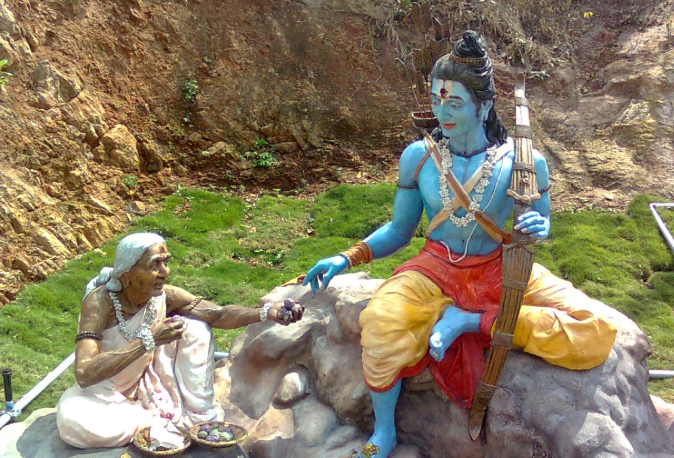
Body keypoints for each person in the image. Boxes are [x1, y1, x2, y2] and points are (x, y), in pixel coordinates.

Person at [303, 31, 617, 458]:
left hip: (500, 268)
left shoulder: (524, 162)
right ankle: (384, 431)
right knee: (380, 321)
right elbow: (399, 230)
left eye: (454, 103)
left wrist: (539, 226)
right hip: (435, 268)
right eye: (437, 101)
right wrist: (347, 257)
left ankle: (469, 322)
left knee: (596, 328)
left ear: (483, 106)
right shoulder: (418, 157)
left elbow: (541, 222)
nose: (442, 112)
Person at [57, 232, 304, 449]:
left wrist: (267, 312)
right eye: (154, 264)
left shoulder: (164, 296)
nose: (165, 272)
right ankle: (158, 423)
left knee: (195, 327)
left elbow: (218, 314)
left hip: (149, 386)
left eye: (166, 262)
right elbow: (85, 373)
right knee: (72, 420)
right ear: (127, 273)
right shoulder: (100, 303)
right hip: (101, 394)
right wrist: (149, 340)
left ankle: (194, 414)